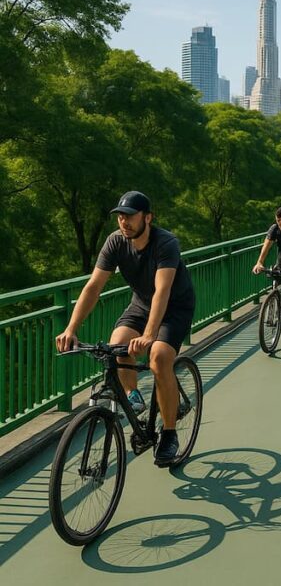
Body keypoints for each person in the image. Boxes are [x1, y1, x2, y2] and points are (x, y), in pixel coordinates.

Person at [55, 191, 195, 467]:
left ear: (148, 218)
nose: (124, 222)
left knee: (159, 358)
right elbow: (94, 286)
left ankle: (168, 434)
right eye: (120, 216)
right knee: (117, 345)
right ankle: (134, 397)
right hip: (141, 305)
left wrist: (150, 334)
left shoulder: (165, 243)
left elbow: (162, 290)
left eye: (130, 216)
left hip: (174, 307)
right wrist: (71, 328)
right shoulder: (115, 242)